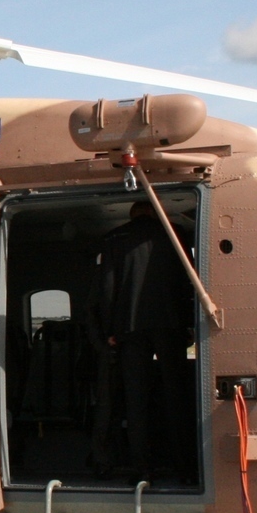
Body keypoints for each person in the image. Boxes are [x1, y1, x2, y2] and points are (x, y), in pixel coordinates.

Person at [87, 201, 197, 487]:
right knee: (176, 397)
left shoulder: (114, 239)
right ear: (153, 212)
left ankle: (142, 468)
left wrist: (111, 330)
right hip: (169, 324)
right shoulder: (175, 235)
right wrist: (189, 323)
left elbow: (107, 286)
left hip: (129, 329)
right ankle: (185, 466)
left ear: (132, 215)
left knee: (136, 402)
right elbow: (189, 281)